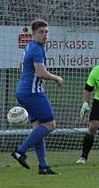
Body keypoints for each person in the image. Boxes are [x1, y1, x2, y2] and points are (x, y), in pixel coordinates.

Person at [10, 19, 63, 175]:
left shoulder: (30, 47)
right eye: (41, 32)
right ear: (33, 34)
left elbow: (21, 66)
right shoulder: (37, 49)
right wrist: (56, 78)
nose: (44, 35)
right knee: (50, 125)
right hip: (32, 92)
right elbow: (41, 73)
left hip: (23, 91)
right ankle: (20, 151)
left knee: (38, 127)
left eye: (46, 32)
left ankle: (43, 166)